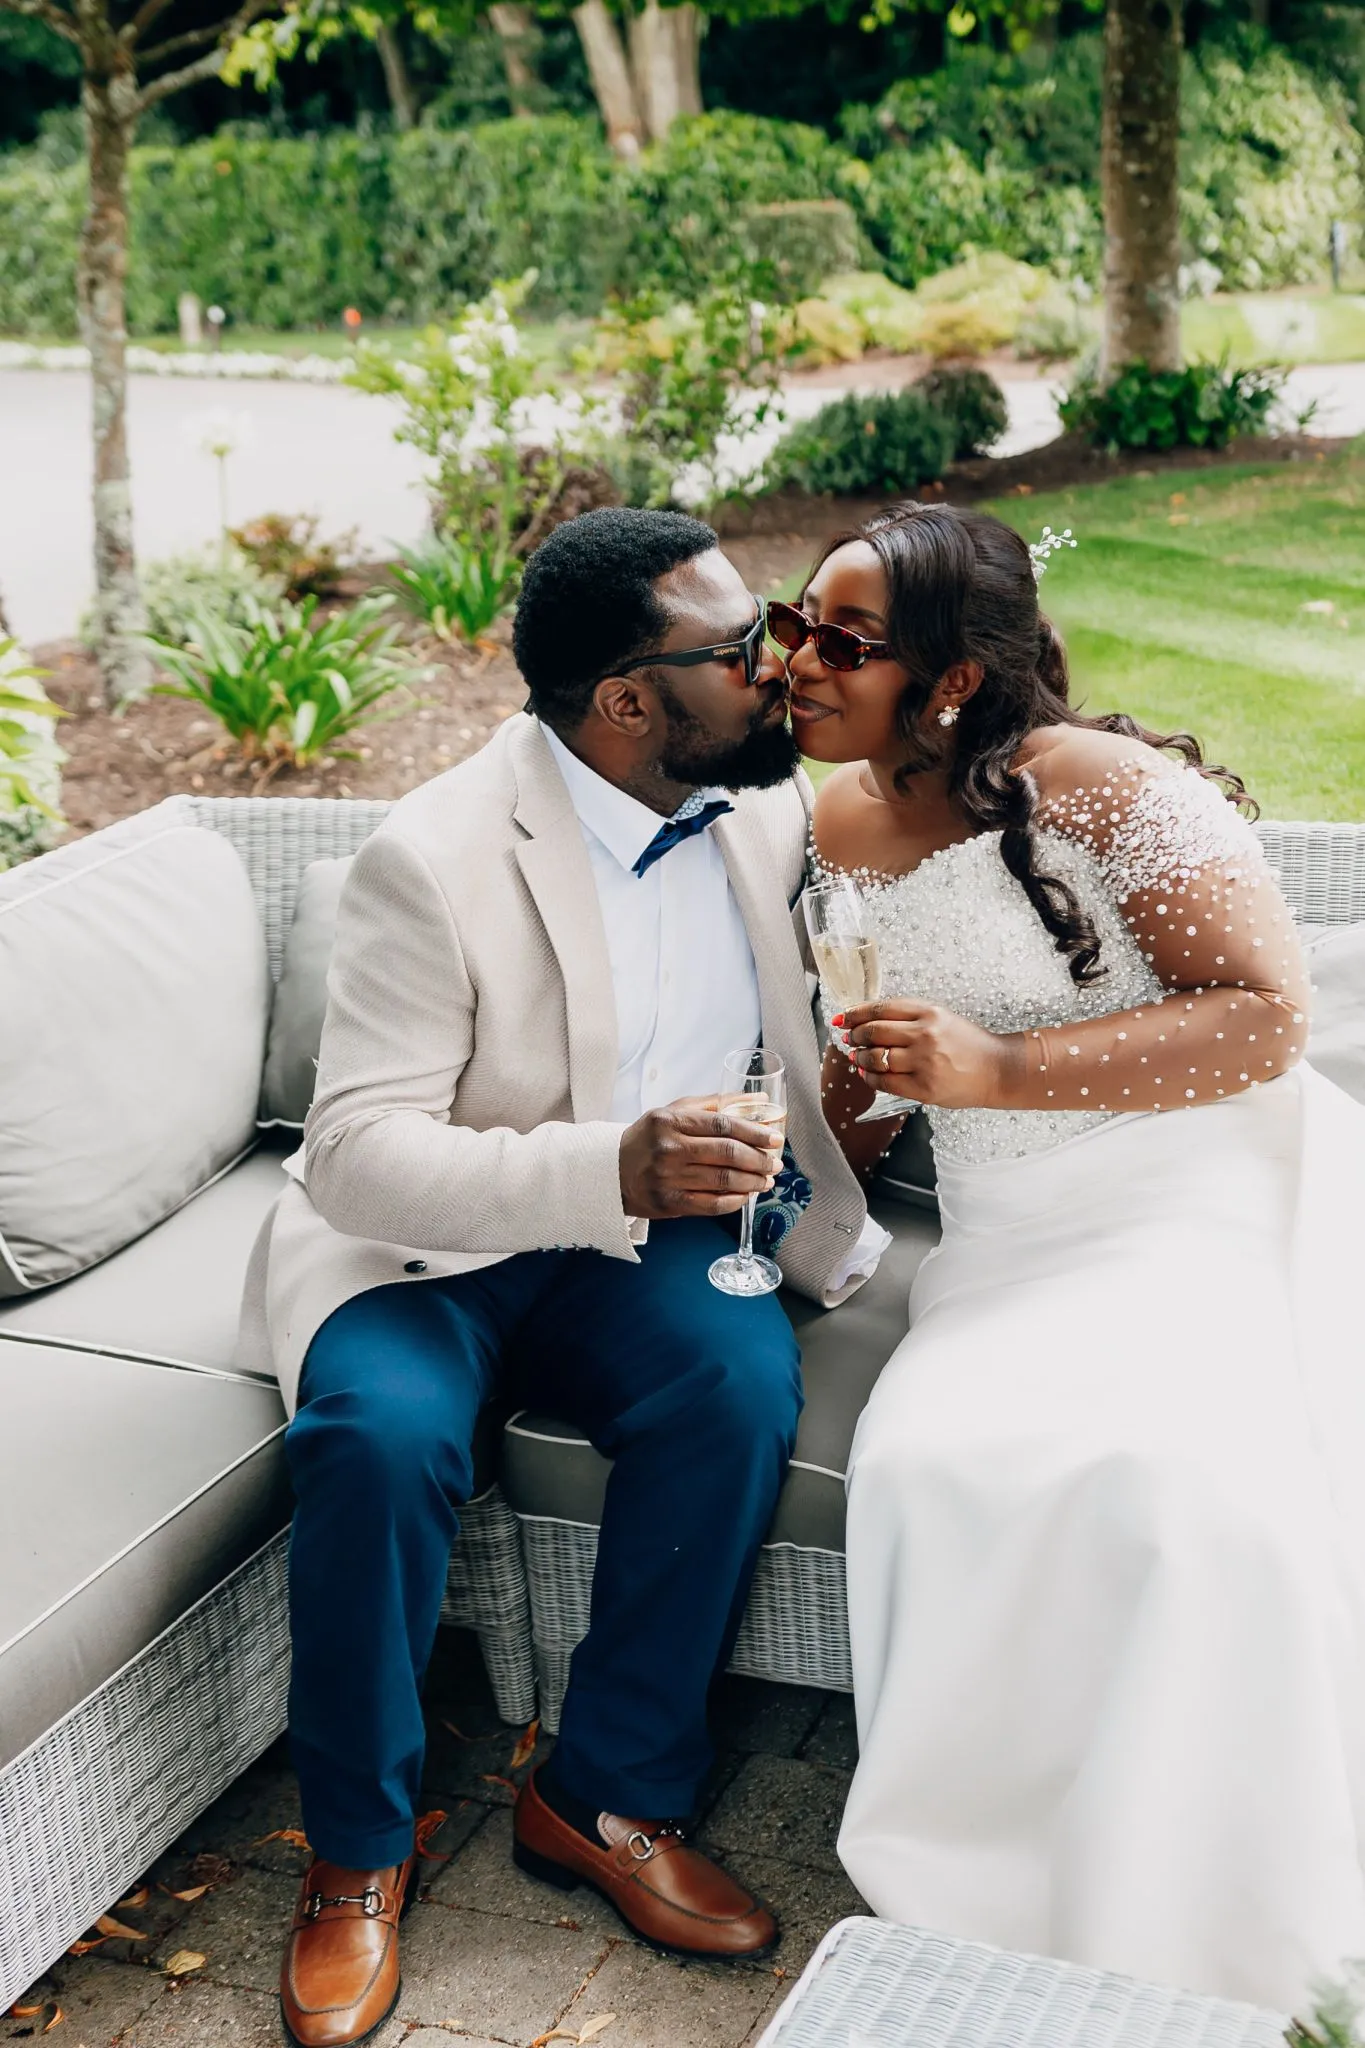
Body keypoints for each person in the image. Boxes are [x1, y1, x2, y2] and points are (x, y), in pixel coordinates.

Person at [238, 506, 883, 2048]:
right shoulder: (434, 859)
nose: (779, 669)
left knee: (733, 1391)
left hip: (639, 1244)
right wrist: (610, 1167)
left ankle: (604, 1796)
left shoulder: (760, 806)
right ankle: (356, 1855)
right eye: (742, 652)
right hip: (430, 1247)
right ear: (626, 701)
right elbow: (353, 1157)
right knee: (376, 1444)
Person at [779, 500, 1365, 2014]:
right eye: (798, 623)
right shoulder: (826, 819)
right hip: (1010, 1236)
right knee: (930, 1463)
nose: (801, 659)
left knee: (1177, 1491)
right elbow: (859, 1059)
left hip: (1191, 1196)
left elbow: (1264, 1017)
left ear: (953, 679)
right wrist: (835, 1119)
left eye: (846, 640)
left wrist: (999, 1073)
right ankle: (996, 1870)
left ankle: (1196, 1893)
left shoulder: (1103, 789)